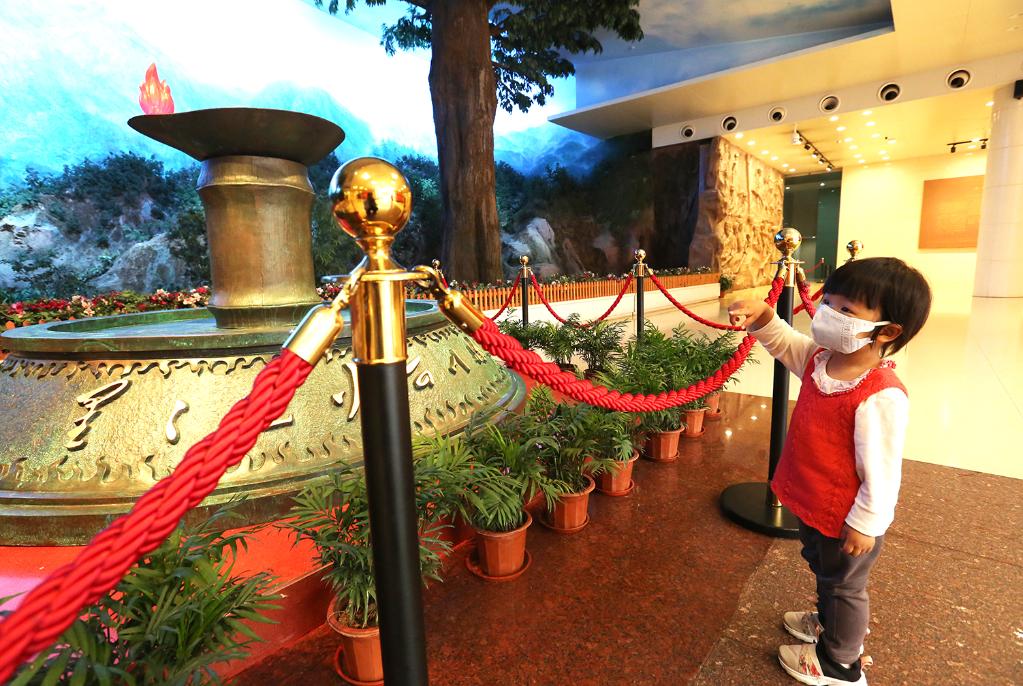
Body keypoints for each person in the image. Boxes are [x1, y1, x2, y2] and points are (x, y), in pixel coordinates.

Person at [727, 257, 932, 686]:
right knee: (826, 571)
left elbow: (883, 471)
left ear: (887, 331)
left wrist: (866, 524)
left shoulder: (880, 395)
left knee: (844, 586)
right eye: (829, 302)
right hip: (815, 503)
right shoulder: (824, 360)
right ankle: (830, 621)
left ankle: (840, 662)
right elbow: (786, 343)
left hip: (845, 519)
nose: (828, 314)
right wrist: (763, 315)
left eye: (846, 310)